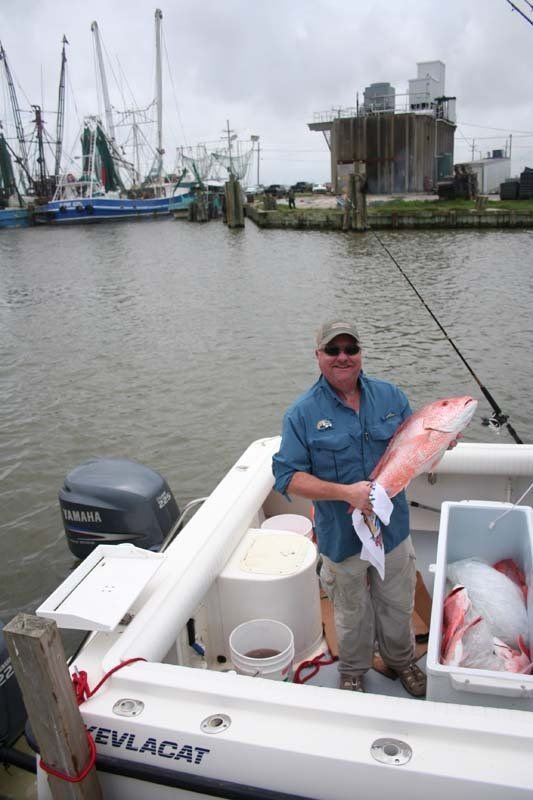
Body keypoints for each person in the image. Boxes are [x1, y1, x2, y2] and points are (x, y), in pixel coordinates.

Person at [272, 320, 426, 696]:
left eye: (350, 349)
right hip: (341, 538)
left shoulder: (392, 397)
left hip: (392, 532)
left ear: (360, 354)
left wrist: (440, 441)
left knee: (398, 604)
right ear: (318, 356)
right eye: (333, 350)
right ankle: (353, 670)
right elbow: (286, 477)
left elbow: (417, 444)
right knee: (351, 611)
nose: (343, 357)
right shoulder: (302, 413)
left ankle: (401, 661)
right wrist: (345, 492)